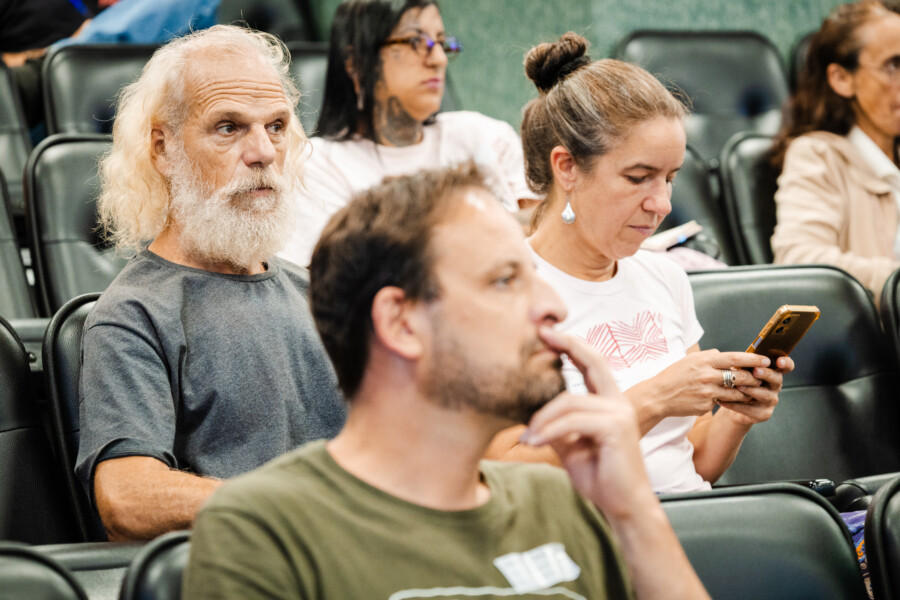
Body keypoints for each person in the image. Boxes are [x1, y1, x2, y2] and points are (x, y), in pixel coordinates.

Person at [184, 163, 710, 600]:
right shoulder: (265, 530)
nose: (554, 306)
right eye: (505, 280)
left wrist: (634, 510)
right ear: (401, 323)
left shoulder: (560, 499)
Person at [485, 33, 794, 494]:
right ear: (566, 167)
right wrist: (653, 399)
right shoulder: (500, 296)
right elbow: (506, 473)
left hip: (692, 518)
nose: (663, 203)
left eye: (669, 178)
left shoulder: (665, 277)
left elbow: (693, 464)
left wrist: (735, 415)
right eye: (638, 178)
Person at [75, 25, 346, 542]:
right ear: (163, 148)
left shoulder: (320, 293)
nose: (263, 151)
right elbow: (127, 498)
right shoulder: (132, 314)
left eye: (276, 126)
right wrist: (295, 505)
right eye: (228, 127)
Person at [277, 0, 539, 267]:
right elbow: (339, 274)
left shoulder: (485, 135)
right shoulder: (315, 166)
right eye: (416, 41)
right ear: (356, 64)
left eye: (441, 43)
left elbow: (544, 228)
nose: (439, 59)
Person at [771, 0, 900, 306]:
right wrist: (893, 280)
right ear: (842, 78)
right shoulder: (817, 155)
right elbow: (799, 260)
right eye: (893, 66)